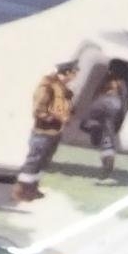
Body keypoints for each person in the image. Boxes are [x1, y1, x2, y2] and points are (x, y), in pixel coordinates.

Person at [14, 61, 76, 201]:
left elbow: (65, 107)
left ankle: (32, 188)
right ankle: (22, 191)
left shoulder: (63, 89)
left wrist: (67, 114)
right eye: (73, 73)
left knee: (43, 161)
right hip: (43, 132)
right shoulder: (47, 87)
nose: (74, 76)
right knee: (34, 161)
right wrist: (56, 118)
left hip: (55, 132)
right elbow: (38, 110)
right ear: (66, 73)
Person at [80, 74, 128, 177]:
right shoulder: (107, 96)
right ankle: (107, 167)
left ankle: (107, 168)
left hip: (105, 123)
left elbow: (109, 111)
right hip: (101, 122)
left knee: (106, 144)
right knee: (104, 144)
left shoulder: (113, 98)